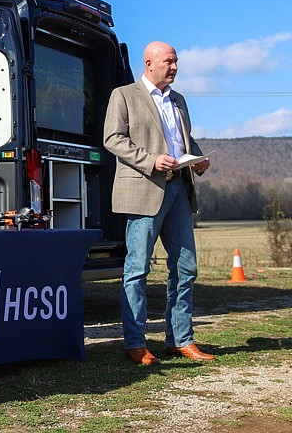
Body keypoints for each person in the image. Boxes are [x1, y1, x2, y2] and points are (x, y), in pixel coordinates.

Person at [103, 41, 214, 365]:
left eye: (176, 61)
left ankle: (180, 340)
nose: (175, 67)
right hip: (143, 189)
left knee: (186, 268)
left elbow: (183, 140)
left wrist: (197, 158)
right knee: (137, 270)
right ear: (149, 63)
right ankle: (135, 343)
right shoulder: (124, 95)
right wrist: (151, 160)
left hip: (180, 189)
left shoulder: (178, 100)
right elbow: (113, 138)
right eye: (169, 61)